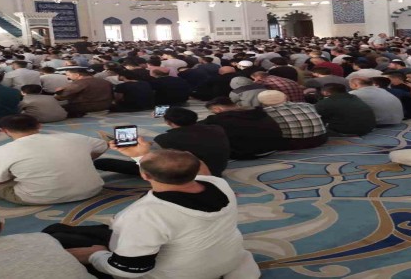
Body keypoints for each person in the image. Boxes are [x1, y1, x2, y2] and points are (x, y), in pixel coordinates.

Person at [46, 150, 260, 279]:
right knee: (57, 230)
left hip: (174, 274)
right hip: (223, 259)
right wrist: (140, 154)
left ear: (144, 175)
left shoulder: (148, 214)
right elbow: (201, 171)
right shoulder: (219, 184)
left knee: (55, 238)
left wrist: (95, 255)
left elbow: (131, 270)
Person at [0, 115, 108, 204]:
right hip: (93, 190)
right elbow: (103, 146)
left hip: (39, 197)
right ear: (39, 126)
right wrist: (85, 158)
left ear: (3, 131)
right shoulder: (74, 137)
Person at [94, 107, 230, 177]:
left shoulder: (165, 139)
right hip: (217, 169)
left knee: (103, 162)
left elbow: (152, 161)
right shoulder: (216, 128)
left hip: (187, 173)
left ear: (169, 122)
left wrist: (138, 152)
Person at [201, 97, 283, 159]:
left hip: (245, 153)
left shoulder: (218, 119)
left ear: (217, 109)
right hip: (272, 148)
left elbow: (197, 126)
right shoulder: (259, 112)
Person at [258, 90, 327, 149]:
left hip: (292, 143)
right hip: (320, 139)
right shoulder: (307, 105)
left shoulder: (267, 111)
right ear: (286, 97)